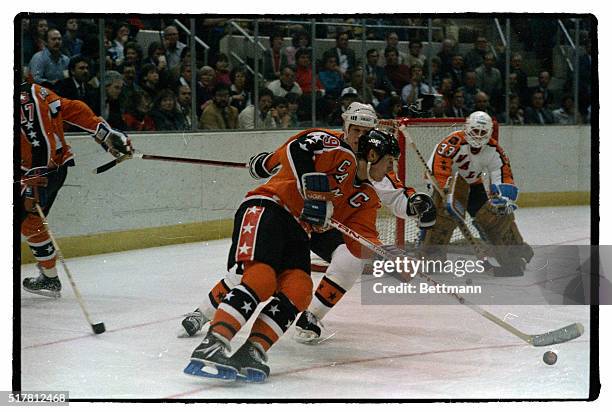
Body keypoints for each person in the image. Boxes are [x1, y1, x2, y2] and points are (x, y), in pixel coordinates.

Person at [180, 103, 436, 344]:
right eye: (355, 130)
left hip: (329, 226)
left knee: (350, 259)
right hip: (292, 217)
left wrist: (412, 211)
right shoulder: (326, 143)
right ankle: (202, 312)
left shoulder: (375, 170)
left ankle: (310, 316)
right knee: (251, 273)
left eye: (365, 132)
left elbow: (394, 202)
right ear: (345, 126)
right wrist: (266, 164)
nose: (359, 136)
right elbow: (292, 151)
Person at [183, 127, 404, 382]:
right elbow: (297, 147)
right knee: (261, 279)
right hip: (269, 207)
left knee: (298, 290)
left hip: (299, 229)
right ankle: (213, 343)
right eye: (389, 162)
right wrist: (311, 190)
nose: (391, 171)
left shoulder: (365, 197)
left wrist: (389, 257)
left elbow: (363, 242)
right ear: (373, 154)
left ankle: (252, 351)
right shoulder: (341, 154)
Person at [19, 81, 133, 297]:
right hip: (48, 170)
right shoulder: (35, 90)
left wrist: (35, 181)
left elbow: (40, 144)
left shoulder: (24, 99)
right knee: (31, 222)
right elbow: (72, 109)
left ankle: (50, 278)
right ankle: (50, 279)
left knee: (28, 220)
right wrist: (105, 133)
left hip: (38, 172)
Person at [422, 111, 533, 277]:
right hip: (447, 185)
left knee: (496, 218)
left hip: (473, 184)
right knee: (441, 218)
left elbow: (503, 174)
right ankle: (432, 258)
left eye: (483, 132)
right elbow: (439, 166)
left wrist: (503, 198)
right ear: (467, 128)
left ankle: (515, 251)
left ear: (489, 133)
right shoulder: (453, 142)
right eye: (475, 131)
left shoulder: (494, 150)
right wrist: (444, 189)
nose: (478, 136)